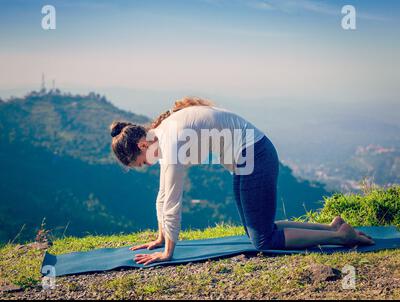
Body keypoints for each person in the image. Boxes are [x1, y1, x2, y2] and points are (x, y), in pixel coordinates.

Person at [110, 97, 374, 265]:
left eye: (142, 161)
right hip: (249, 158)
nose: (148, 164)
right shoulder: (164, 134)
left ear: (142, 144)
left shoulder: (170, 141)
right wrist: (159, 237)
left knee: (263, 241)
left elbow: (172, 200)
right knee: (257, 230)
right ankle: (333, 227)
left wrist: (168, 251)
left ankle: (341, 238)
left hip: (255, 155)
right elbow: (162, 194)